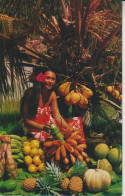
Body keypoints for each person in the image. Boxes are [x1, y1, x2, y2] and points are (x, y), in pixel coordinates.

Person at [21, 67, 86, 143]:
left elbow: (57, 116)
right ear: (41, 78)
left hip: (49, 126)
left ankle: (79, 149)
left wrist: (69, 128)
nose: (50, 81)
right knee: (53, 142)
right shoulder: (30, 94)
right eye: (47, 78)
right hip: (35, 128)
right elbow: (26, 120)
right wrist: (43, 128)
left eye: (53, 79)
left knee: (76, 122)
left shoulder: (52, 94)